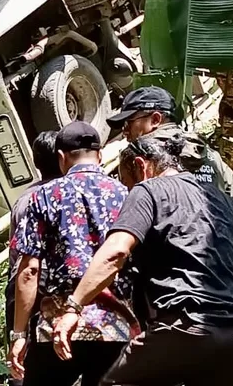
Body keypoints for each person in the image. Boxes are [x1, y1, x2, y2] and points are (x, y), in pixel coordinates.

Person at [52, 135, 233, 386]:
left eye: (126, 182)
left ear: (141, 166)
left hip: (184, 325)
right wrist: (221, 285)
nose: (128, 189)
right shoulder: (224, 200)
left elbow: (116, 252)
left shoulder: (148, 190)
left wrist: (74, 307)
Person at [9, 121, 138, 386]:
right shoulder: (126, 195)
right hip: (114, 327)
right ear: (100, 155)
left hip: (57, 326)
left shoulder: (42, 196)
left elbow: (29, 271)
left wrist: (19, 334)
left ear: (60, 158)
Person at [106, 86, 233, 215]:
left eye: (129, 123)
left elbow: (130, 209)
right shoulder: (206, 153)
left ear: (155, 119)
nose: (125, 131)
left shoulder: (138, 156)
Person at [5, 131, 62, 386]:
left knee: (21, 359)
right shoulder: (67, 194)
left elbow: (15, 252)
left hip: (22, 283)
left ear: (35, 161)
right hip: (56, 286)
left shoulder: (24, 198)